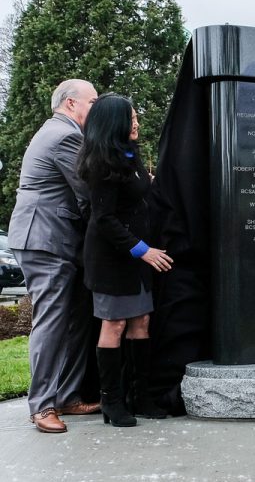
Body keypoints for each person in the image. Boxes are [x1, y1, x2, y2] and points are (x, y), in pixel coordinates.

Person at [8, 79, 101, 433]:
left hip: (54, 238)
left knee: (75, 317)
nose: (96, 109)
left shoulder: (57, 131)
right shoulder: (65, 135)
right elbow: (88, 189)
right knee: (51, 320)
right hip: (45, 238)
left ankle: (67, 396)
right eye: (93, 102)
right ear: (71, 103)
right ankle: (42, 405)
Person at [77, 94, 173, 427]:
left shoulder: (129, 156)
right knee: (114, 324)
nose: (136, 123)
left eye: (136, 117)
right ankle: (112, 403)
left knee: (141, 323)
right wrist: (142, 250)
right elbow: (104, 219)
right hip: (113, 260)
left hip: (136, 258)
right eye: (130, 118)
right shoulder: (102, 163)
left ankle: (141, 397)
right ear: (113, 122)